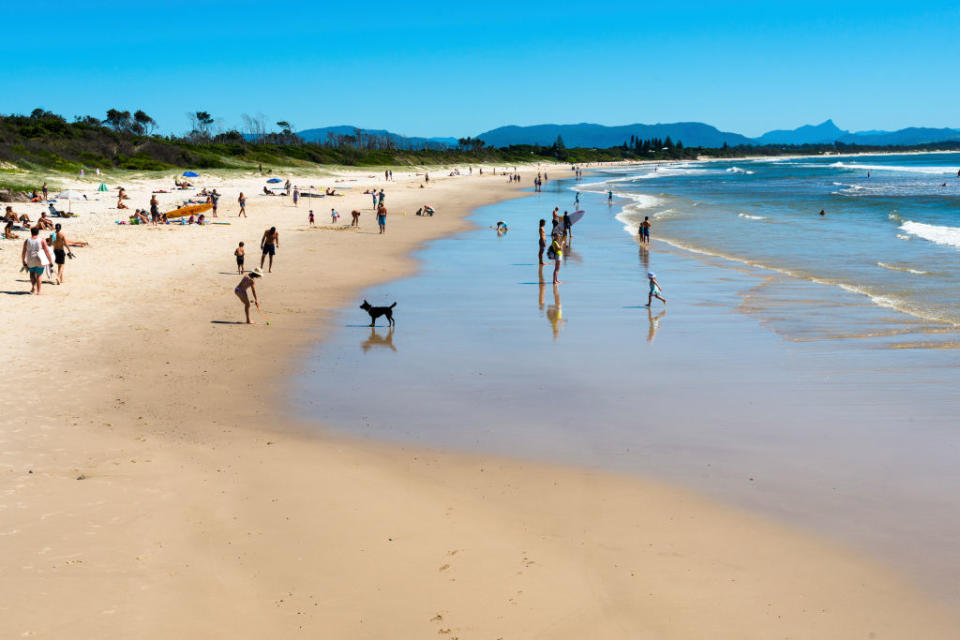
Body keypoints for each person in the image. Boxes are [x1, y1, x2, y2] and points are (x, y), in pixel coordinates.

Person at [22, 226, 54, 294]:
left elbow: (23, 252)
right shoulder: (42, 240)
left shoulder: (27, 240)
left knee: (32, 274)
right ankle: (39, 291)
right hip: (39, 259)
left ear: (31, 232)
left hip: (30, 259)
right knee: (39, 275)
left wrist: (23, 260)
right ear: (38, 232)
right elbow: (47, 251)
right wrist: (50, 260)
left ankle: (33, 286)